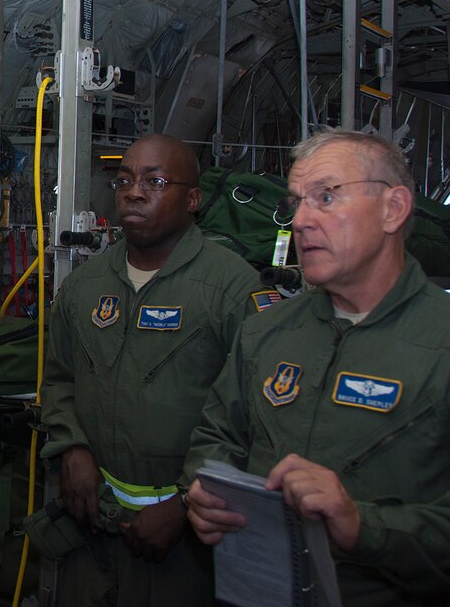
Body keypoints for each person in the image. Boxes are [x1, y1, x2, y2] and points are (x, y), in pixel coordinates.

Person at [185, 128, 450, 605]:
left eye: (326, 197)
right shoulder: (266, 332)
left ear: (393, 209)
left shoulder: (440, 342)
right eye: (296, 202)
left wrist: (361, 525)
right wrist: (204, 493)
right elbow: (219, 435)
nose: (301, 221)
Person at [40, 134, 270, 605]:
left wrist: (188, 502)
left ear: (193, 200)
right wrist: (71, 448)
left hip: (185, 547)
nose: (134, 191)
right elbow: (60, 378)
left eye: (154, 181)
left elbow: (254, 418)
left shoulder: (231, 291)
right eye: (124, 180)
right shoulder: (84, 288)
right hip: (93, 530)